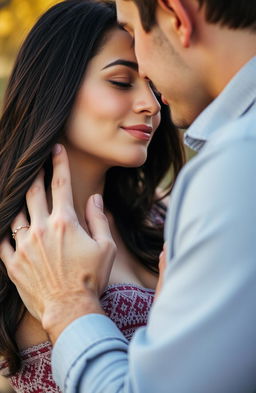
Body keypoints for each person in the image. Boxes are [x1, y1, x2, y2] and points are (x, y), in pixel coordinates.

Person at [1, 0, 256, 392]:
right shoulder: (20, 250)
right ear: (55, 87)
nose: (152, 105)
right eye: (121, 81)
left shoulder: (161, 218)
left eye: (153, 87)